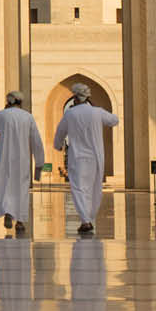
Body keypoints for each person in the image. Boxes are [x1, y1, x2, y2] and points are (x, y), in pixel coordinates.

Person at [53, 82, 118, 234]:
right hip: (95, 157)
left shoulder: (70, 114)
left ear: (75, 98)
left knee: (78, 188)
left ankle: (86, 220)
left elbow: (60, 132)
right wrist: (97, 112)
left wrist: (58, 145)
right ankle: (89, 217)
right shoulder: (97, 112)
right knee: (94, 187)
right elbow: (114, 120)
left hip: (78, 158)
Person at [0, 90, 45, 235]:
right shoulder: (28, 117)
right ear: (21, 103)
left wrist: (3, 113)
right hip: (22, 158)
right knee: (21, 187)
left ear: (8, 102)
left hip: (5, 157)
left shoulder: (2, 115)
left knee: (6, 184)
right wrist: (39, 163)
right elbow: (36, 141)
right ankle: (20, 222)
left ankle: (8, 211)